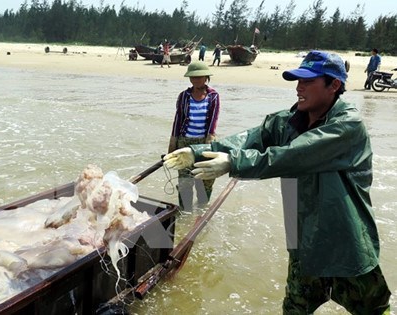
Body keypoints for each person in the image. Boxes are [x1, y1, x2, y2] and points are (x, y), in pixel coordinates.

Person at [163, 50, 391, 314]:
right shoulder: (289, 121)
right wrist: (198, 151)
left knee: (375, 311)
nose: (298, 88)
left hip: (347, 248)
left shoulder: (347, 126)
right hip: (303, 248)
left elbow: (293, 155)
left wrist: (233, 162)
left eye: (307, 81)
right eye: (297, 80)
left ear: (334, 85)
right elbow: (252, 137)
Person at [167, 61, 220, 211]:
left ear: (206, 77)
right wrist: (173, 144)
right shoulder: (184, 96)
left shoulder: (213, 97)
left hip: (204, 143)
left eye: (199, 77)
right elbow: (178, 120)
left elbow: (213, 122)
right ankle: (185, 213)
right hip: (185, 143)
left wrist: (209, 142)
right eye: (192, 78)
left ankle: (202, 210)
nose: (196, 80)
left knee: (205, 179)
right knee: (185, 181)